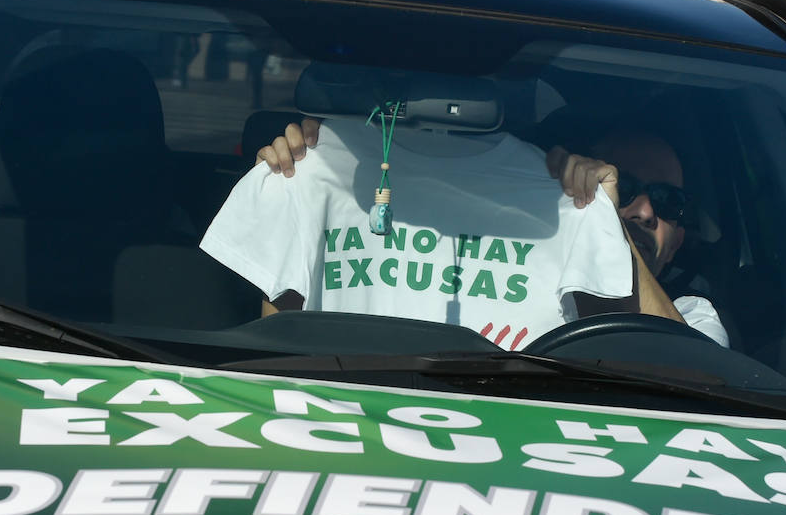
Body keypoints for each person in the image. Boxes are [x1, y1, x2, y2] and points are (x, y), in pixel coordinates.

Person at [240, 119, 729, 348]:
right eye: (633, 189)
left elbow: (687, 379)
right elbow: (275, 349)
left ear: (682, 237)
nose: (643, 209)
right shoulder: (317, 173)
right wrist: (296, 186)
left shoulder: (694, 320)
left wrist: (607, 224)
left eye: (666, 202)